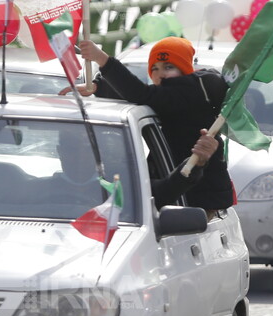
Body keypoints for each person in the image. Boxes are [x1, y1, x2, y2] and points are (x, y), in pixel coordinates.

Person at [72, 36, 235, 215]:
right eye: (154, 69)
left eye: (169, 67)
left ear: (185, 69)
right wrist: (99, 87)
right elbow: (141, 98)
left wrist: (102, 59)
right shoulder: (176, 95)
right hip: (183, 191)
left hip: (200, 198)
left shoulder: (190, 90)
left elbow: (141, 94)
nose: (161, 73)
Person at [45, 124, 220, 210]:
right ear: (60, 151)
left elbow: (167, 190)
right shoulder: (37, 191)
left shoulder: (126, 188)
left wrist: (196, 163)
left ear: (99, 152)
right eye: (72, 149)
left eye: (88, 149)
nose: (80, 157)